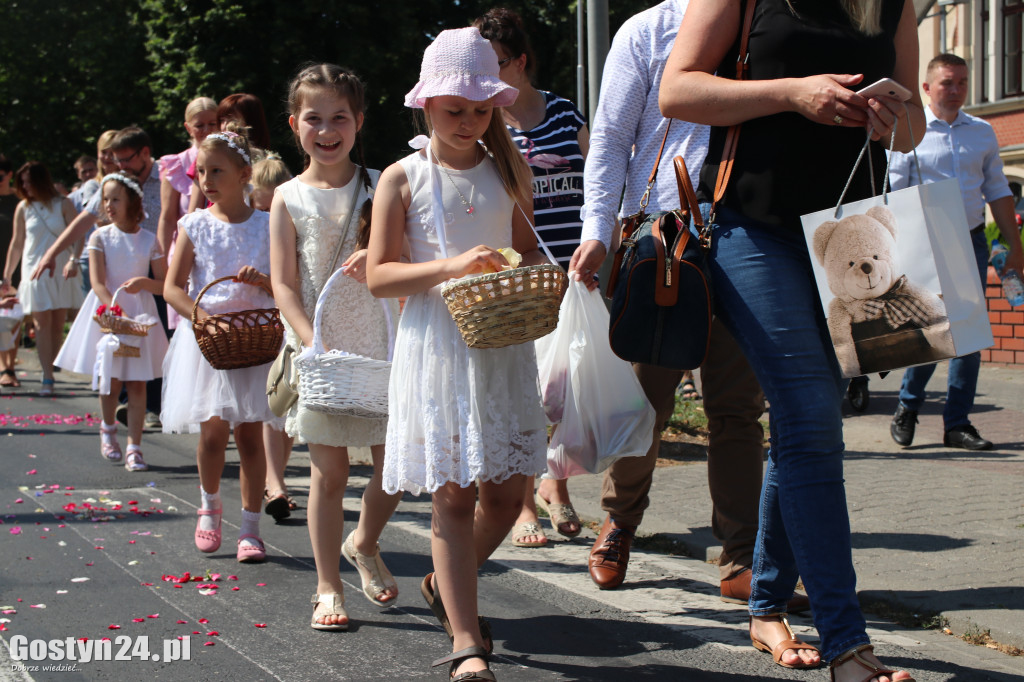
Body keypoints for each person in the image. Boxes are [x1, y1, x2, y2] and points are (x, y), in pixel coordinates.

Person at [659, 0, 923, 680]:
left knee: (806, 421)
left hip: (853, 232)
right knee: (809, 415)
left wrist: (896, 118)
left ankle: (768, 606)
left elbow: (914, 127)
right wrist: (790, 94)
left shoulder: (894, 2)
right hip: (753, 228)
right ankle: (847, 645)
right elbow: (677, 89)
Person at [568, 0, 800, 616]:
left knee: (738, 410)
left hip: (748, 236)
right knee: (644, 401)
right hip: (664, 241)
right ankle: (619, 522)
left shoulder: (772, 22)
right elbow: (611, 139)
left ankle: (742, 558)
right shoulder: (650, 29)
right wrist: (597, 228)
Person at [367, 27, 547, 681]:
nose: (469, 121)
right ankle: (467, 640)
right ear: (427, 105)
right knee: (451, 495)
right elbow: (382, 274)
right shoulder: (402, 176)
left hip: (500, 342)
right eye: (456, 109)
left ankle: (447, 584)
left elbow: (526, 248)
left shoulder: (508, 170)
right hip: (438, 346)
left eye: (480, 108)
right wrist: (451, 267)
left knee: (504, 498)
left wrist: (525, 270)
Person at [270, 64, 403, 631]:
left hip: (381, 343)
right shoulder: (286, 197)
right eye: (314, 118)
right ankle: (327, 587)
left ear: (359, 121)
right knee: (328, 475)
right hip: (319, 352)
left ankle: (365, 542)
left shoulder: (385, 184)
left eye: (339, 118)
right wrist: (311, 342)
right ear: (294, 123)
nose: (327, 130)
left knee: (394, 468)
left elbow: (403, 255)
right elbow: (283, 283)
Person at [473, 7, 586, 547]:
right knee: (526, 390)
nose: (488, 76)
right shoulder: (485, 124)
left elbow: (599, 176)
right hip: (518, 281)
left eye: (496, 64)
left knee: (564, 389)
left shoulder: (565, 113)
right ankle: (523, 507)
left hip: (574, 272)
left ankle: (555, 486)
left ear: (521, 61)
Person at [888, 53, 1024, 452]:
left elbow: (997, 190)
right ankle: (908, 406)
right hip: (923, 239)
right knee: (932, 332)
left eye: (963, 82)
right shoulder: (909, 129)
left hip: (969, 237)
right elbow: (893, 190)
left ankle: (958, 424)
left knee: (968, 333)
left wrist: (1014, 246)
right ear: (927, 88)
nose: (957, 89)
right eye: (948, 82)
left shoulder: (981, 132)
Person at [162, 131, 276, 563]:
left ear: (245, 174)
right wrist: (199, 315)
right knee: (212, 432)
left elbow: (286, 285)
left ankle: (250, 528)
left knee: (250, 435)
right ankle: (209, 507)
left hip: (254, 339)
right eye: (201, 172)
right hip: (209, 340)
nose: (206, 179)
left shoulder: (267, 224)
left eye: (217, 171)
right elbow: (173, 288)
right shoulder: (194, 225)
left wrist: (263, 282)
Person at [54, 172, 168, 471]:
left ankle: (135, 446)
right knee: (112, 379)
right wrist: (118, 314)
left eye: (115, 199)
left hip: (141, 315)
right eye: (105, 199)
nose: (108, 205)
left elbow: (164, 284)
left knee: (138, 382)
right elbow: (98, 283)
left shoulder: (148, 239)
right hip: (111, 315)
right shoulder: (99, 236)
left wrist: (144, 283)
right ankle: (107, 430)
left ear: (132, 202)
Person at [2, 162, 84, 396]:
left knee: (58, 324)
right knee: (41, 324)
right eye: (22, 183)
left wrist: (74, 260)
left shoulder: (63, 204)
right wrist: (7, 275)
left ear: (40, 180)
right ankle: (47, 377)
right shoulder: (23, 208)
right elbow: (17, 243)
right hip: (34, 271)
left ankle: (50, 367)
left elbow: (78, 234)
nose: (25, 187)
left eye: (28, 181)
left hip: (60, 270)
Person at [250, 153, 299, 521]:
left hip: (287, 320)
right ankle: (274, 482)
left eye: (271, 206)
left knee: (289, 402)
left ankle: (277, 477)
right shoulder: (254, 227)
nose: (266, 214)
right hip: (262, 327)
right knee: (272, 404)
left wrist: (265, 282)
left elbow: (287, 282)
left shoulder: (291, 221)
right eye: (260, 206)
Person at [0, 155, 21, 388]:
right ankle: (4, 367)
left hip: (14, 267)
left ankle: (10, 367)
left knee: (13, 319)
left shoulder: (19, 201)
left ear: (9, 175)